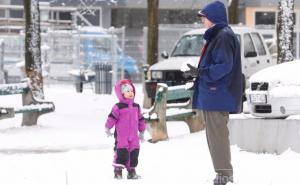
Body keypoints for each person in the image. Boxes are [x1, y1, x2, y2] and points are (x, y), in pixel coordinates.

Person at [185, 1, 243, 185]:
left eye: (205, 17)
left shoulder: (223, 36)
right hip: (214, 94)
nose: (202, 20)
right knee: (214, 136)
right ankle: (222, 173)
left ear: (214, 18)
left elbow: (223, 66)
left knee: (217, 136)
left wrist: (202, 73)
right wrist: (198, 73)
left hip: (218, 94)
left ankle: (224, 174)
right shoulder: (219, 35)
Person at [105, 79, 146, 179]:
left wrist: (142, 131)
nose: (131, 93)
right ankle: (118, 171)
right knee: (121, 152)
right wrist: (108, 127)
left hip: (134, 136)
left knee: (134, 152)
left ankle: (131, 171)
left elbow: (140, 119)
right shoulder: (118, 107)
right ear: (121, 93)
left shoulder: (136, 107)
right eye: (128, 91)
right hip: (122, 136)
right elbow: (112, 118)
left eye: (132, 91)